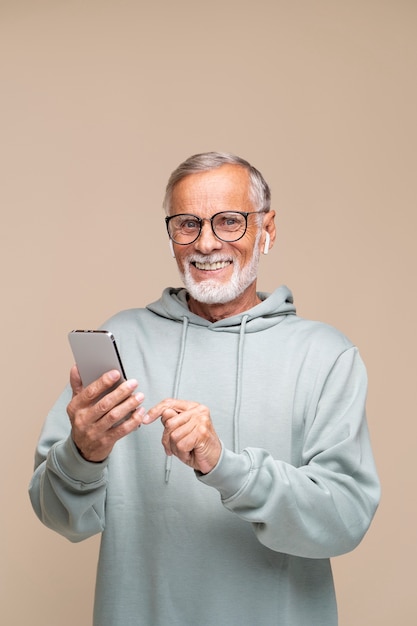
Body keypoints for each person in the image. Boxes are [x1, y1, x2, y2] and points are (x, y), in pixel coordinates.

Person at [29, 152, 380, 626]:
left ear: (267, 230)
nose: (207, 243)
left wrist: (224, 466)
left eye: (230, 221)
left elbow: (345, 520)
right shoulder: (123, 341)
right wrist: (83, 453)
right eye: (187, 224)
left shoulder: (326, 355)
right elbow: (57, 515)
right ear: (170, 234)